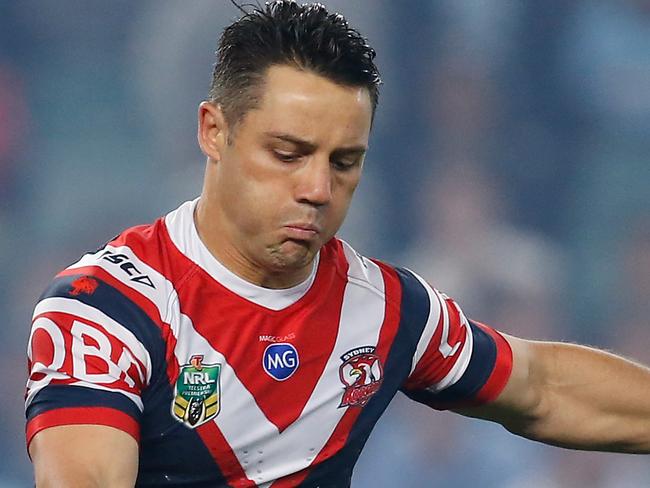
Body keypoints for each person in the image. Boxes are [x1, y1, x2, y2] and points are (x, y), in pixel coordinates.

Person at [25, 2, 650, 487]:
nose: (319, 189)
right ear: (214, 131)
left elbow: (541, 389)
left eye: (345, 162)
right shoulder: (104, 311)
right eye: (288, 154)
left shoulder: (384, 308)